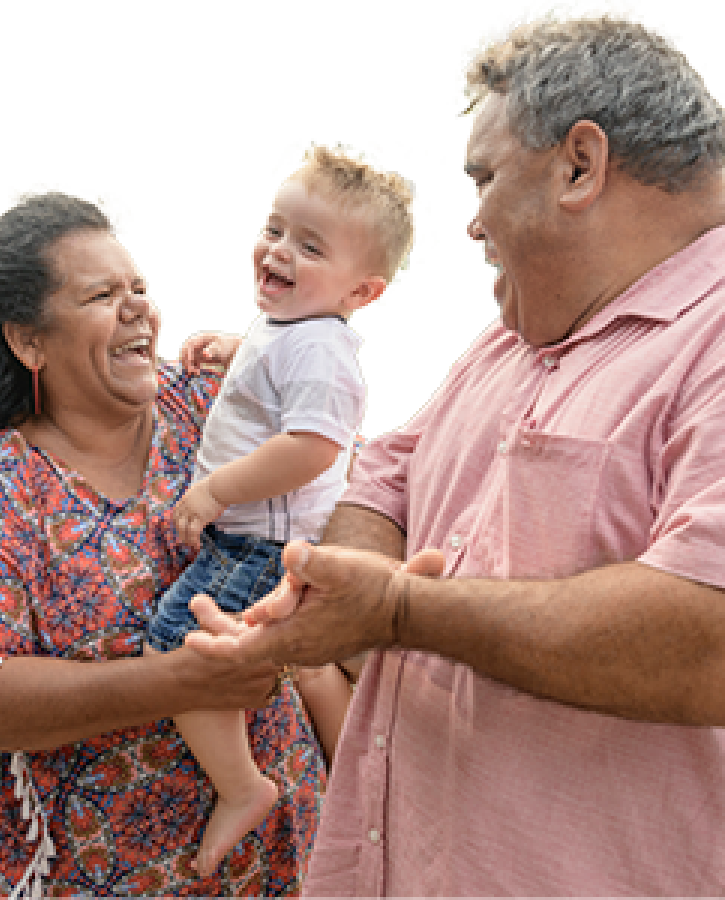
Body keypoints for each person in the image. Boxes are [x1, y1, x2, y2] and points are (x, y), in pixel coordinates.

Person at [185, 5, 725, 898]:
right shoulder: (506, 344)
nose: (470, 222)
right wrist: (330, 595)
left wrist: (396, 614)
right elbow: (383, 483)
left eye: (487, 177)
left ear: (579, 166)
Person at [0, 188, 325, 898]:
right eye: (101, 295)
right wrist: (174, 683)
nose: (139, 309)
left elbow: (348, 481)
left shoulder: (216, 406)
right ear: (28, 339)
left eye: (141, 288)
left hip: (286, 852)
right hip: (104, 874)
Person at [144, 144, 418, 877]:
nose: (279, 250)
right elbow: (277, 384)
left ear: (361, 291)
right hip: (268, 540)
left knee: (177, 648)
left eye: (309, 246)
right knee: (309, 663)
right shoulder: (293, 330)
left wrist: (215, 489)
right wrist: (237, 352)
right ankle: (348, 782)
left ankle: (243, 787)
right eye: (275, 229)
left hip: (258, 543)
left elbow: (313, 446)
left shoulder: (322, 351)